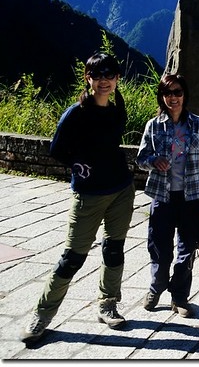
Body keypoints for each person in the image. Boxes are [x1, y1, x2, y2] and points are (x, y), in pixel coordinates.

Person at [21, 53, 135, 344]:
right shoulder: (76, 113)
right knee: (72, 258)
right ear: (89, 78)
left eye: (110, 74)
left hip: (121, 189)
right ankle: (42, 315)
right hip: (89, 194)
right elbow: (57, 149)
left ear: (117, 79)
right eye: (98, 75)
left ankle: (108, 303)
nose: (104, 80)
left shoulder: (116, 108)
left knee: (114, 249)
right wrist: (78, 167)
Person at [136, 74, 199, 318]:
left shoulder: (198, 124)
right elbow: (140, 159)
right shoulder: (154, 125)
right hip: (162, 195)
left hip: (192, 196)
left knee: (186, 249)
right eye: (168, 93)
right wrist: (152, 161)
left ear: (185, 94)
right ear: (161, 96)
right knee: (159, 248)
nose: (173, 98)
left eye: (177, 92)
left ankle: (179, 296)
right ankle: (156, 288)